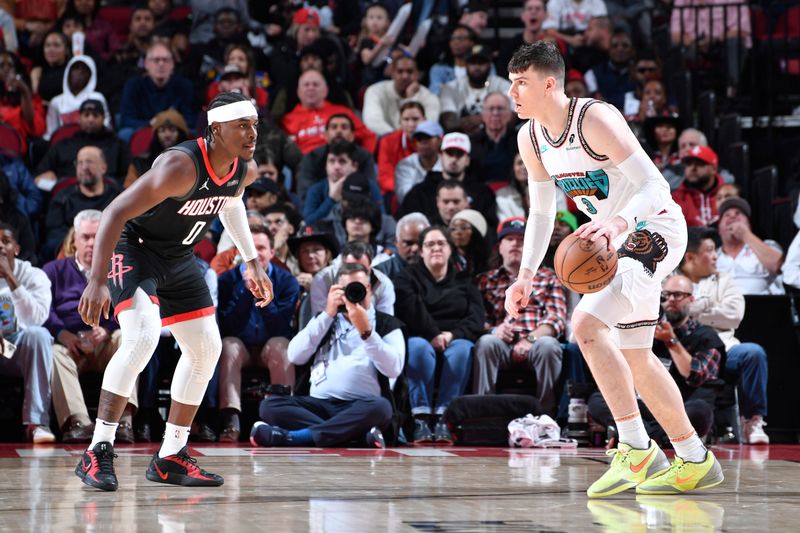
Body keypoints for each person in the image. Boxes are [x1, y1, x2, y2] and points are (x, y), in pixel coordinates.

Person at [504, 42, 722, 497]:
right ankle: (695, 458)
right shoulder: (530, 138)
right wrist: (524, 275)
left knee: (584, 323)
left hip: (653, 227)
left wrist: (619, 222)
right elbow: (543, 213)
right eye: (510, 83)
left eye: (521, 83)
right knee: (637, 359)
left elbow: (655, 185)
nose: (513, 93)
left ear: (549, 84)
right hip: (610, 241)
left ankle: (637, 448)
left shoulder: (595, 119)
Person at [74, 92, 273, 492]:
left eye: (254, 125)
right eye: (242, 126)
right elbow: (114, 212)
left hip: (180, 257)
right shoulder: (179, 166)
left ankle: (171, 455)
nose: (252, 133)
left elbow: (230, 202)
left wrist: (251, 260)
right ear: (216, 130)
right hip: (135, 248)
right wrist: (96, 280)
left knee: (206, 349)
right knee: (142, 337)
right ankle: (98, 449)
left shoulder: (243, 168)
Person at [251, 263, 404, 448]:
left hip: (360, 407)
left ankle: (294, 437)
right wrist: (327, 313)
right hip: (318, 406)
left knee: (382, 408)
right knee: (270, 406)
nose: (353, 294)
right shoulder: (325, 319)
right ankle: (356, 436)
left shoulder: (386, 323)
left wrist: (367, 333)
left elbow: (394, 369)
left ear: (369, 290)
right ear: (335, 290)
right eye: (347, 289)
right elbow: (294, 355)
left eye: (359, 288)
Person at [588, 275, 724, 444]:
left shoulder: (706, 336)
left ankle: (636, 438)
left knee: (700, 411)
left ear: (691, 299)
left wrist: (671, 341)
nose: (671, 300)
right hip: (644, 404)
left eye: (678, 295)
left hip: (680, 405)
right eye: (666, 295)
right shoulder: (646, 330)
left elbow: (694, 376)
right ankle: (655, 438)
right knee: (597, 400)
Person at [45, 210, 136, 444]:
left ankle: (124, 419)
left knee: (128, 338)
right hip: (70, 344)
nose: (92, 242)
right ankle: (78, 422)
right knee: (54, 353)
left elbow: (131, 307)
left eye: (98, 236)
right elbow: (43, 309)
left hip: (104, 343)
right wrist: (61, 333)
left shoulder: (120, 270)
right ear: (74, 240)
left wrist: (106, 328)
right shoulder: (54, 270)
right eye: (85, 236)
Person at [394, 226, 485, 444]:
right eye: (430, 244)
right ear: (421, 251)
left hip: (453, 338)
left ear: (450, 250)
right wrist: (433, 334)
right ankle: (421, 418)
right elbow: (410, 309)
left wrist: (451, 335)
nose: (436, 248)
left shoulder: (464, 281)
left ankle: (446, 417)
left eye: (441, 243)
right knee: (418, 348)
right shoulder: (406, 277)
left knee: (462, 350)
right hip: (419, 335)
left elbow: (476, 318)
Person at [679, 227, 770, 444]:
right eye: (709, 251)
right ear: (691, 257)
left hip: (725, 350)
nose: (715, 256)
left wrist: (694, 309)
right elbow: (668, 314)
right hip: (684, 352)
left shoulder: (724, 280)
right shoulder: (672, 280)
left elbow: (734, 315)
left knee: (753, 353)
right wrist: (708, 306)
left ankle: (753, 421)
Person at [474, 217, 567, 414]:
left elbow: (556, 319)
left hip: (536, 342)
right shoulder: (484, 280)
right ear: (499, 247)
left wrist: (530, 339)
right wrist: (494, 330)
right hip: (501, 342)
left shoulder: (548, 277)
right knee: (486, 342)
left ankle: (547, 416)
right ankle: (483, 414)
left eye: (522, 240)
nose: (516, 243)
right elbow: (475, 320)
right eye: (509, 239)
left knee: (549, 345)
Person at [217, 226, 299, 442]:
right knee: (228, 345)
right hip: (241, 344)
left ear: (272, 252)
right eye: (249, 247)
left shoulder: (286, 281)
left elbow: (281, 327)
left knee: (283, 345)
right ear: (238, 251)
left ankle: (283, 418)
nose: (255, 254)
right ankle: (231, 419)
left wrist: (263, 294)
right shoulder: (225, 281)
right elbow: (227, 326)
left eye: (261, 248)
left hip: (269, 345)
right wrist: (246, 291)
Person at [0, 223, 55, 443]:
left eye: (6, 240)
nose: (0, 245)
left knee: (40, 334)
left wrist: (10, 278)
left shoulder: (34, 275)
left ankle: (36, 423)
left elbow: (37, 318)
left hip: (16, 347)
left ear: (16, 248)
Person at [44, 146, 122, 260]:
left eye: (89, 162)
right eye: (80, 163)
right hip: (73, 252)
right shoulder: (62, 198)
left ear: (103, 167)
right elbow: (55, 235)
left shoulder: (119, 196)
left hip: (114, 252)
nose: (84, 167)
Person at [36, 99, 130, 186]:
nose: (91, 119)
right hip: (67, 198)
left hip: (108, 199)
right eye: (86, 115)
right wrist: (46, 175)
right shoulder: (63, 145)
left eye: (95, 115)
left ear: (103, 119)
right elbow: (39, 173)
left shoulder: (118, 146)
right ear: (79, 119)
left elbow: (127, 177)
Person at [716, 198, 784, 295]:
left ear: (749, 226)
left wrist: (746, 235)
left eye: (738, 213)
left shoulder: (767, 245)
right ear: (719, 229)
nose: (732, 216)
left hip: (762, 307)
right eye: (727, 215)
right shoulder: (712, 256)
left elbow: (779, 266)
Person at [362, 56, 440, 137]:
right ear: (392, 73)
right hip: (385, 141)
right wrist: (397, 139)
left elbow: (429, 128)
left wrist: (410, 99)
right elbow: (373, 123)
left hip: (417, 144)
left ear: (418, 74)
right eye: (400, 71)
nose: (405, 76)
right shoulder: (375, 91)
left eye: (410, 72)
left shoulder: (430, 98)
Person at [375, 213, 430, 281]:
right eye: (409, 243)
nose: (415, 248)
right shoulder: (380, 272)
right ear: (396, 242)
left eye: (421, 242)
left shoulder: (441, 269)